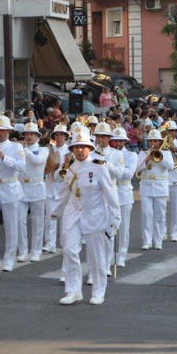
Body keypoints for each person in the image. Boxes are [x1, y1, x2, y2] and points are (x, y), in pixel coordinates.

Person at [50, 131, 120, 306]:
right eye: (76, 147)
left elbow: (110, 193)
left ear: (90, 148)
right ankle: (73, 291)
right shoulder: (71, 166)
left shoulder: (99, 166)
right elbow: (65, 191)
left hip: (94, 215)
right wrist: (55, 212)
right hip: (73, 215)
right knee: (70, 251)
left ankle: (98, 291)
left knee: (96, 257)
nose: (79, 150)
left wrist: (115, 217)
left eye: (83, 147)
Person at [0, 115, 26, 272]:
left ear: (8, 131)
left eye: (2, 130)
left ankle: (9, 259)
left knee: (10, 225)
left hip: (9, 188)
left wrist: (4, 157)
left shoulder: (16, 148)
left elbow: (22, 167)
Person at [91, 121, 124, 277]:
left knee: (110, 231)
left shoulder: (117, 154)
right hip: (96, 193)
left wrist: (106, 163)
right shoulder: (90, 153)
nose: (101, 139)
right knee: (96, 230)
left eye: (104, 136)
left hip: (111, 190)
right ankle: (95, 266)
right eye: (99, 136)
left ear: (109, 138)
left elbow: (119, 173)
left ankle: (106, 264)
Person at [137, 129, 174, 250]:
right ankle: (146, 241)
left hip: (160, 186)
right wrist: (147, 159)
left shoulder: (166, 153)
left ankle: (158, 241)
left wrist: (160, 157)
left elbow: (171, 167)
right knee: (146, 214)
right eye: (150, 141)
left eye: (155, 141)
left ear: (159, 142)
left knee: (160, 215)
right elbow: (137, 169)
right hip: (146, 185)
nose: (152, 143)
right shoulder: (143, 153)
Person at [17, 122, 49, 263]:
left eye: (31, 134)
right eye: (26, 134)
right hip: (22, 187)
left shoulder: (43, 150)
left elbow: (37, 161)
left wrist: (25, 150)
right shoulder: (19, 149)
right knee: (20, 221)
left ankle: (36, 250)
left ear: (37, 136)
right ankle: (23, 251)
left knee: (37, 222)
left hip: (36, 187)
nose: (28, 136)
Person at [109, 127, 138, 267]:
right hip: (111, 192)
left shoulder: (131, 155)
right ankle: (109, 256)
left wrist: (114, 169)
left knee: (124, 227)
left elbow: (129, 174)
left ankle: (121, 256)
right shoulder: (109, 154)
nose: (118, 143)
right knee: (109, 226)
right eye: (115, 141)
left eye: (120, 141)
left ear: (125, 141)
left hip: (124, 191)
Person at [43, 124, 71, 253]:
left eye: (61, 135)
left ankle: (65, 243)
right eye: (57, 135)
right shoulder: (49, 149)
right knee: (50, 217)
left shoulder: (70, 152)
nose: (59, 137)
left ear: (65, 137)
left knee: (65, 219)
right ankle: (50, 243)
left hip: (64, 189)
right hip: (50, 187)